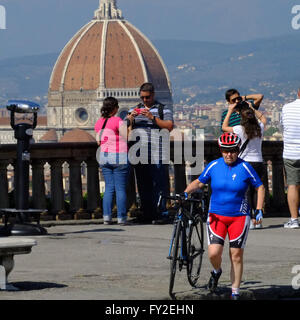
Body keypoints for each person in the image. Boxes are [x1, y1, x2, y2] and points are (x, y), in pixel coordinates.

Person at [183, 133, 265, 300]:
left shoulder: (245, 167)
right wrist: (184, 193)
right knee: (214, 253)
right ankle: (216, 271)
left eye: (233, 150)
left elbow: (260, 187)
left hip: (239, 217)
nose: (229, 154)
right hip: (216, 216)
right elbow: (199, 182)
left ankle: (235, 292)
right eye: (226, 151)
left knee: (236, 254)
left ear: (238, 150)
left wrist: (258, 209)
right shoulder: (213, 165)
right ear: (221, 150)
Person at [126, 82, 174, 224]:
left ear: (153, 95)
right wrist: (130, 119)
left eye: (147, 97)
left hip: (157, 153)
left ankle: (161, 213)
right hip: (140, 153)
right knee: (143, 184)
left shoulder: (163, 110)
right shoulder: (134, 109)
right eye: (142, 97)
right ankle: (147, 213)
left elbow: (169, 126)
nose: (145, 100)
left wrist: (152, 118)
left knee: (159, 185)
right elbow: (124, 128)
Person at [222, 101, 267, 229]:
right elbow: (263, 118)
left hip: (245, 163)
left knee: (246, 192)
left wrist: (230, 110)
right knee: (257, 191)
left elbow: (224, 127)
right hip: (259, 162)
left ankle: (249, 218)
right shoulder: (260, 128)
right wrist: (252, 108)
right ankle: (258, 219)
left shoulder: (239, 129)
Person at [94, 97, 130, 225]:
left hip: (104, 156)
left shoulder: (99, 122)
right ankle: (121, 218)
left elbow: (98, 141)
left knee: (109, 188)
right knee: (120, 188)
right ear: (114, 108)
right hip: (119, 156)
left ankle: (107, 217)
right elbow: (127, 137)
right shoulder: (117, 120)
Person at [281, 88, 300, 229]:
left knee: (292, 185)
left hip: (291, 152)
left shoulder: (286, 108)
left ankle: (294, 219)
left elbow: (282, 127)